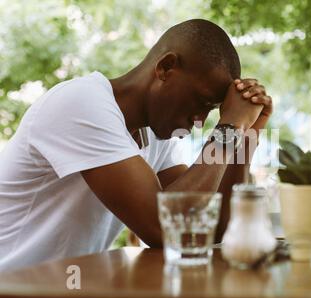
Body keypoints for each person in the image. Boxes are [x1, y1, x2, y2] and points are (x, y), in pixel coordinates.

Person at [0, 19, 273, 271]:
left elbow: (208, 229)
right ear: (165, 68)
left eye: (212, 111)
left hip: (63, 287)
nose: (200, 121)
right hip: (12, 285)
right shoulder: (81, 102)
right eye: (201, 102)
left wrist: (245, 138)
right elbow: (163, 228)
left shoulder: (156, 134)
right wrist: (230, 128)